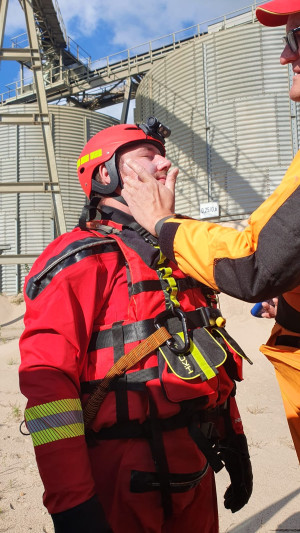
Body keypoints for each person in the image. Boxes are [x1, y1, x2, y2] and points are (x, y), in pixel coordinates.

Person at [19, 119, 253, 533]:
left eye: (162, 154)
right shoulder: (79, 259)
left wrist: (234, 440)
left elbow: (206, 354)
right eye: (148, 156)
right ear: (105, 175)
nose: (165, 164)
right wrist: (72, 504)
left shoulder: (182, 255)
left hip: (195, 466)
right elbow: (48, 387)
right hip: (121, 478)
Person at [121, 1, 300, 464]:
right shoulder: (80, 259)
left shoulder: (173, 244)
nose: (284, 57)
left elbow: (253, 267)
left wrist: (166, 227)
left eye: (296, 39)